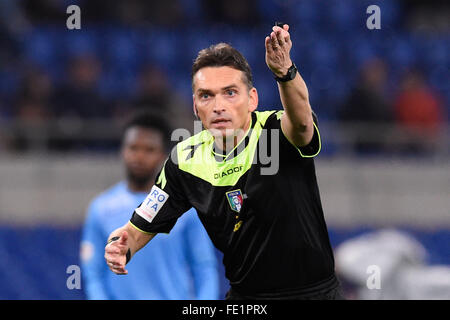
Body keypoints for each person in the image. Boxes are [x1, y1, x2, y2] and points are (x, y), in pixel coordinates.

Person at [104, 24, 343, 300]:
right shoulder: (184, 161)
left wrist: (284, 73)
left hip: (315, 294)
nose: (218, 106)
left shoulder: (276, 130)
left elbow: (302, 125)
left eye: (230, 93)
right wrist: (122, 247)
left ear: (252, 99)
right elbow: (137, 229)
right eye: (207, 95)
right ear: (195, 106)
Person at [81, 111, 219, 300]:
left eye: (149, 149)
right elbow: (93, 274)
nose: (139, 156)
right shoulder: (101, 208)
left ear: (162, 155)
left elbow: (204, 267)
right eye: (133, 148)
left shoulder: (186, 209)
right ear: (123, 150)